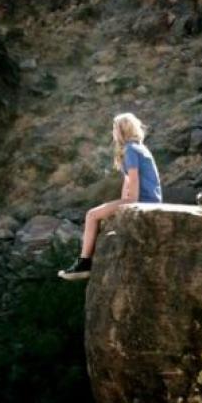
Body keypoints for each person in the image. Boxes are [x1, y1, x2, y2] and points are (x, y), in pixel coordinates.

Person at [58, 112, 163, 280]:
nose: (113, 132)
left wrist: (129, 204)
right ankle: (84, 262)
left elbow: (134, 182)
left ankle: (84, 263)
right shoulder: (138, 148)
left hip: (143, 200)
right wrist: (119, 206)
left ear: (121, 130)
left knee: (91, 215)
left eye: (114, 128)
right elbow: (127, 182)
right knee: (101, 212)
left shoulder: (130, 149)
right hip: (149, 199)